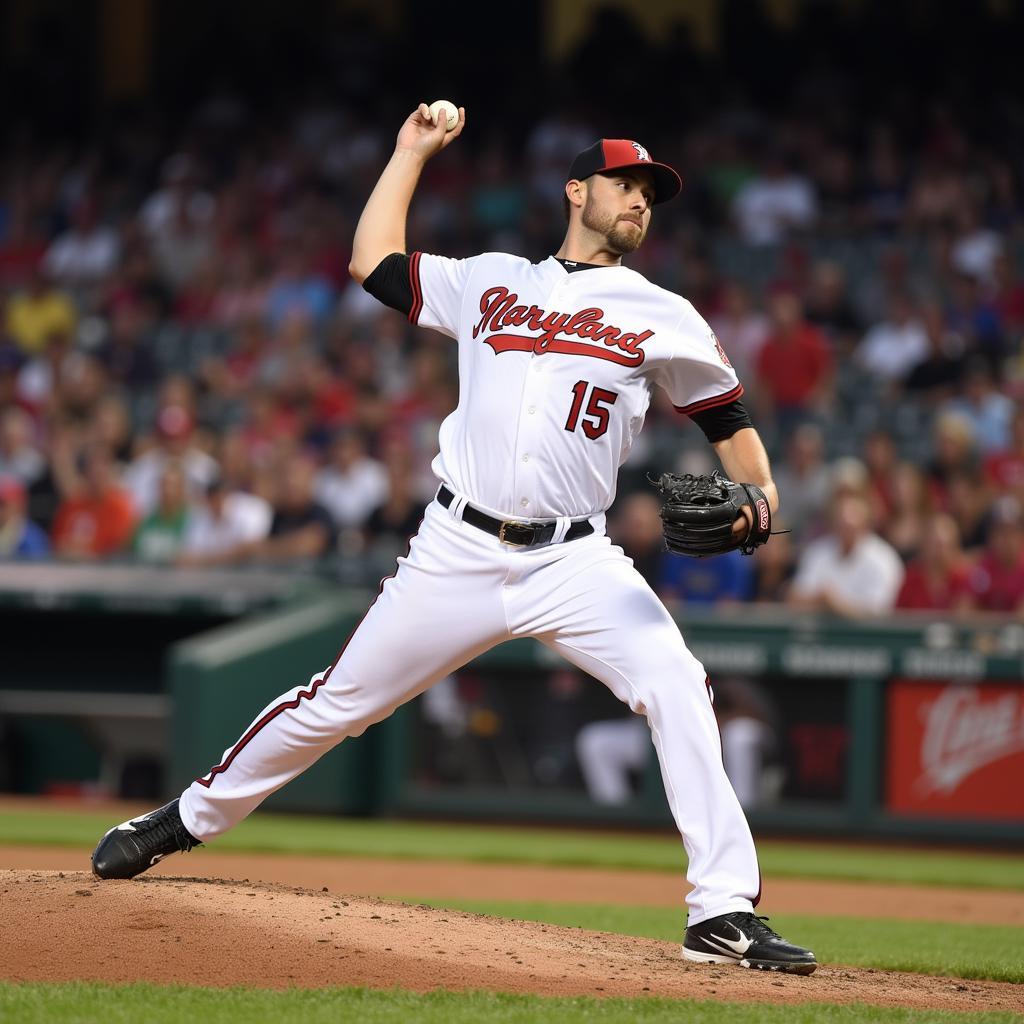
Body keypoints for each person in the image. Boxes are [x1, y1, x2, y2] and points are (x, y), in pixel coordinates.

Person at [90, 104, 816, 975]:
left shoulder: (661, 312)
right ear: (576, 190)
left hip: (573, 558)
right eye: (625, 184)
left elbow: (726, 418)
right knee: (337, 704)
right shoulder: (491, 280)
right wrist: (408, 154)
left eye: (651, 194)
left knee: (676, 682)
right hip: (457, 546)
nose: (639, 202)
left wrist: (764, 493)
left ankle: (722, 912)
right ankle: (183, 818)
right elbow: (374, 264)